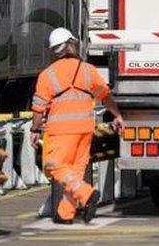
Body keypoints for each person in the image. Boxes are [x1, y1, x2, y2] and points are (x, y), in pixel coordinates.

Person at [30, 27, 125, 224]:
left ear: (54, 50)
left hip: (60, 131)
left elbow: (39, 108)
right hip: (85, 129)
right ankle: (65, 214)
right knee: (75, 171)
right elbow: (105, 96)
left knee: (53, 165)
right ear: (72, 44)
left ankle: (86, 193)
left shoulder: (47, 75)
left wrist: (34, 129)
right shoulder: (88, 70)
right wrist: (117, 115)